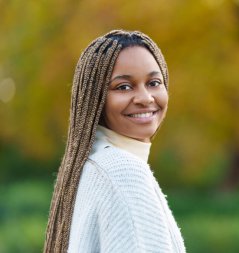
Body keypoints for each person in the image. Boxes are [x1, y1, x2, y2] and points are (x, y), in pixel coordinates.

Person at [44, 30, 186, 253]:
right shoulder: (123, 174)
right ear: (96, 98)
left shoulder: (94, 164)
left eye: (154, 82)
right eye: (123, 87)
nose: (145, 98)